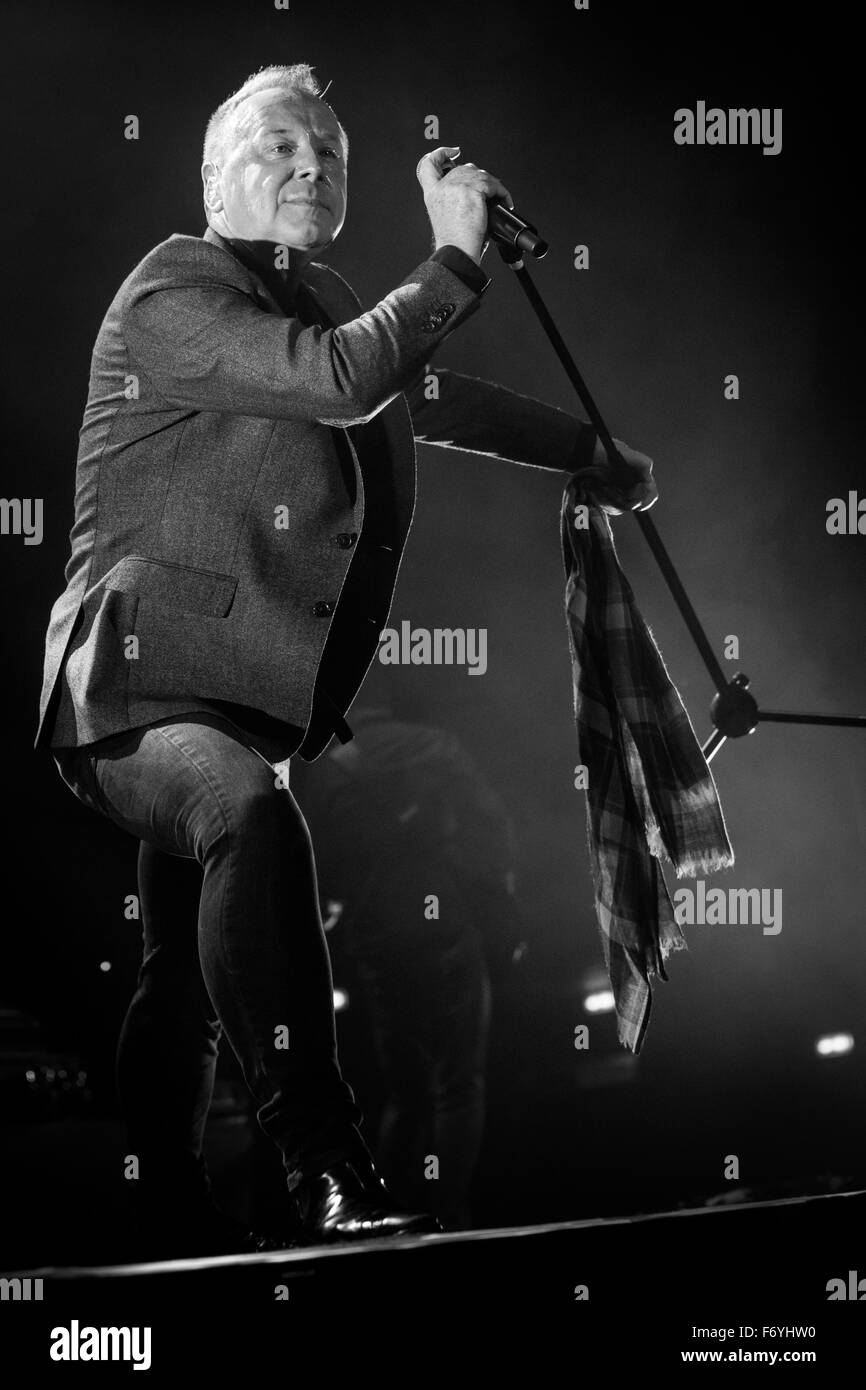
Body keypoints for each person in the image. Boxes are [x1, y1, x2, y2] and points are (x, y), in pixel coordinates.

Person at [34, 63, 656, 1256]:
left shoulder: (312, 300)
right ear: (215, 177)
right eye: (278, 147)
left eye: (329, 151)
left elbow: (422, 393)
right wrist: (457, 259)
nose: (311, 165)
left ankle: (160, 1192)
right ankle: (326, 1162)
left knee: (181, 963)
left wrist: (585, 449)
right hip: (125, 680)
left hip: (230, 694)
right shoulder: (172, 288)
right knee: (248, 820)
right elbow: (342, 379)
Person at [293, 678, 526, 1231]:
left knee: (406, 1091)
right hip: (440, 915)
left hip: (372, 933)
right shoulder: (433, 745)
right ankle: (451, 1219)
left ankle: (385, 1218)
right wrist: (501, 905)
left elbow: (307, 861)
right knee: (458, 1082)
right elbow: (492, 829)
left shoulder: (313, 771)